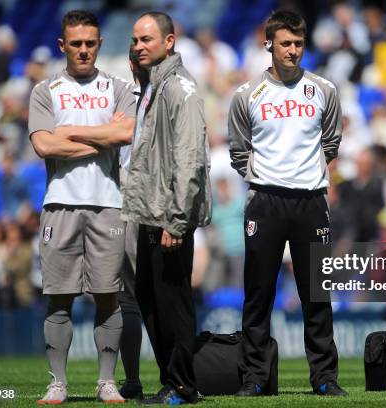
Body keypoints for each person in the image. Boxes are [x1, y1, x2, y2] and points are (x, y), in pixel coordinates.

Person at [228, 10, 347, 397]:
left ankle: (325, 378)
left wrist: (304, 174)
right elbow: (237, 150)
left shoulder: (324, 90)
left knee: (316, 294)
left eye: (298, 44)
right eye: (285, 44)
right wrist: (268, 176)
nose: (292, 51)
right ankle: (256, 377)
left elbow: (331, 142)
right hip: (265, 202)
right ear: (269, 45)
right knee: (258, 294)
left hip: (311, 202)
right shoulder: (247, 95)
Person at [28, 10, 135, 404]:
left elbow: (125, 133)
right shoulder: (46, 90)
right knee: (59, 296)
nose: (84, 50)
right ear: (63, 45)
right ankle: (58, 382)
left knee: (108, 295)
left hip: (109, 203)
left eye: (90, 43)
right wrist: (100, 140)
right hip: (59, 203)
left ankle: (107, 381)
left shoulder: (118, 87)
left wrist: (69, 132)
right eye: (76, 43)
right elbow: (44, 145)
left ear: (100, 43)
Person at [122, 11, 212, 405]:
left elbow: (190, 158)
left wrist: (176, 221)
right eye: (135, 40)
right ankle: (170, 380)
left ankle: (182, 385)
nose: (139, 46)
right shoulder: (154, 87)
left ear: (170, 41)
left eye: (147, 40)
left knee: (173, 301)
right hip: (149, 212)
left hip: (168, 216)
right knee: (150, 296)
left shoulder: (179, 89)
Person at [116, 47, 149, 401]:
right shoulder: (118, 99)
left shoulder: (172, 97)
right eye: (138, 59)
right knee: (124, 298)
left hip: (157, 202)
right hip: (122, 203)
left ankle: (177, 375)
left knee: (165, 294)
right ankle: (131, 379)